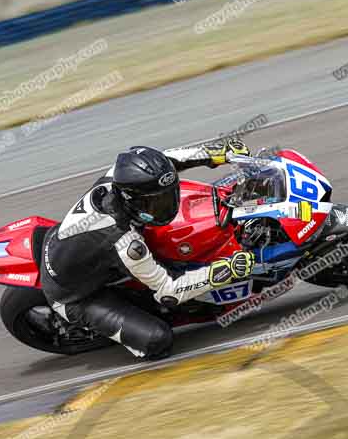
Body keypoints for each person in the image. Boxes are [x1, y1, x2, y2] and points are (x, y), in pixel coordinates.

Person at [40, 139, 255, 360]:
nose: (167, 205)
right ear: (131, 201)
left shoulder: (119, 176)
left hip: (71, 248)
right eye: (156, 203)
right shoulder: (126, 243)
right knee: (158, 340)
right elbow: (168, 291)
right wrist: (226, 270)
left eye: (168, 195)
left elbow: (168, 160)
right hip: (75, 295)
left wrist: (216, 152)